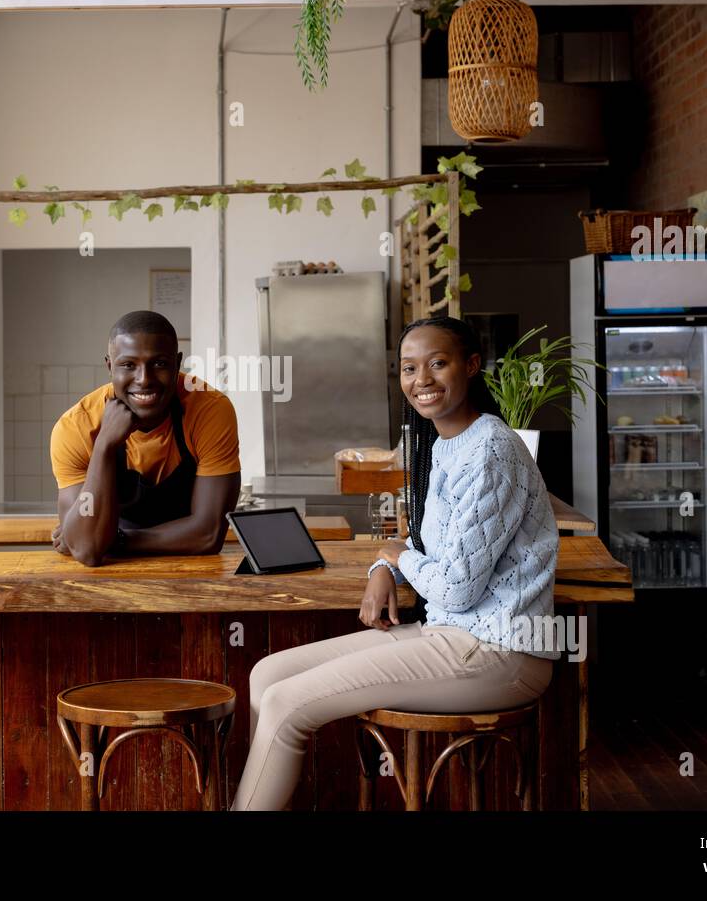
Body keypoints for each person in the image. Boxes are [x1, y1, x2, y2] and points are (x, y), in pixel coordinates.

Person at [230, 316, 560, 810]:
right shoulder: (447, 443)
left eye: (437, 363)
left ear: (471, 366)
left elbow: (456, 589)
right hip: (455, 637)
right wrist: (383, 566)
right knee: (267, 676)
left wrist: (394, 554)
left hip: (500, 651)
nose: (421, 379)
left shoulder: (491, 450)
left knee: (284, 702)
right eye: (409, 368)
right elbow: (428, 544)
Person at [50, 311, 241, 566]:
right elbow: (87, 550)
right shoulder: (76, 426)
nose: (144, 379)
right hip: (108, 579)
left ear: (177, 363)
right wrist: (105, 445)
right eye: (128, 365)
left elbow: (208, 535)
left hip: (191, 571)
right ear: (109, 366)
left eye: (159, 363)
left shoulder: (209, 410)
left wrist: (115, 540)